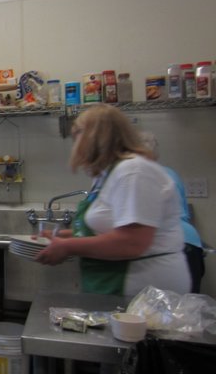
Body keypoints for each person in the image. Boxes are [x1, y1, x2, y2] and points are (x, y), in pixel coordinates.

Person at [35, 104, 189, 296]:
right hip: (118, 280)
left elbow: (132, 242)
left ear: (97, 137)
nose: (75, 141)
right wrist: (59, 237)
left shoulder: (134, 171)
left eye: (79, 133)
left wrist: (67, 247)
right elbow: (106, 228)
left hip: (143, 286)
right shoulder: (108, 174)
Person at [139, 131, 205, 292]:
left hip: (167, 249)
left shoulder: (141, 176)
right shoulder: (170, 173)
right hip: (192, 245)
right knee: (188, 309)